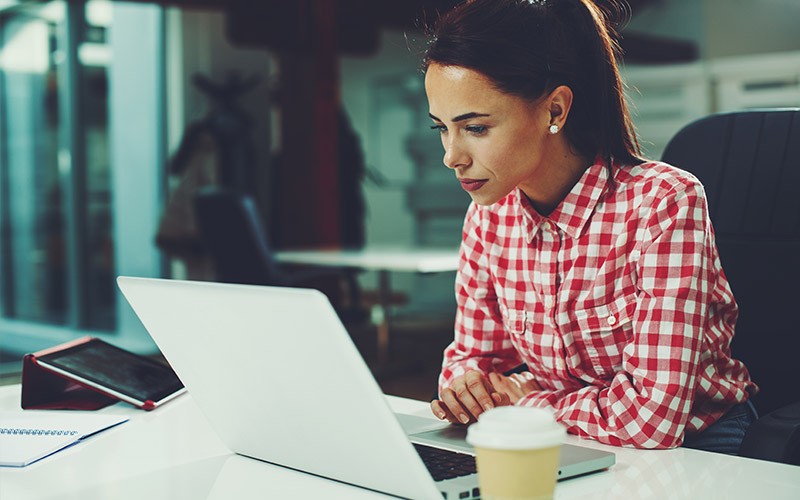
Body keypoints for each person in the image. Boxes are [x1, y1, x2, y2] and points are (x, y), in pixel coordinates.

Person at [423, 0, 757, 453]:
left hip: (694, 443)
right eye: (441, 128)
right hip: (564, 436)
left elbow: (650, 422)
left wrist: (525, 404)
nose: (451, 156)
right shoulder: (489, 214)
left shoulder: (664, 202)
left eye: (476, 128)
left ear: (554, 111)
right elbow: (470, 364)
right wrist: (470, 391)